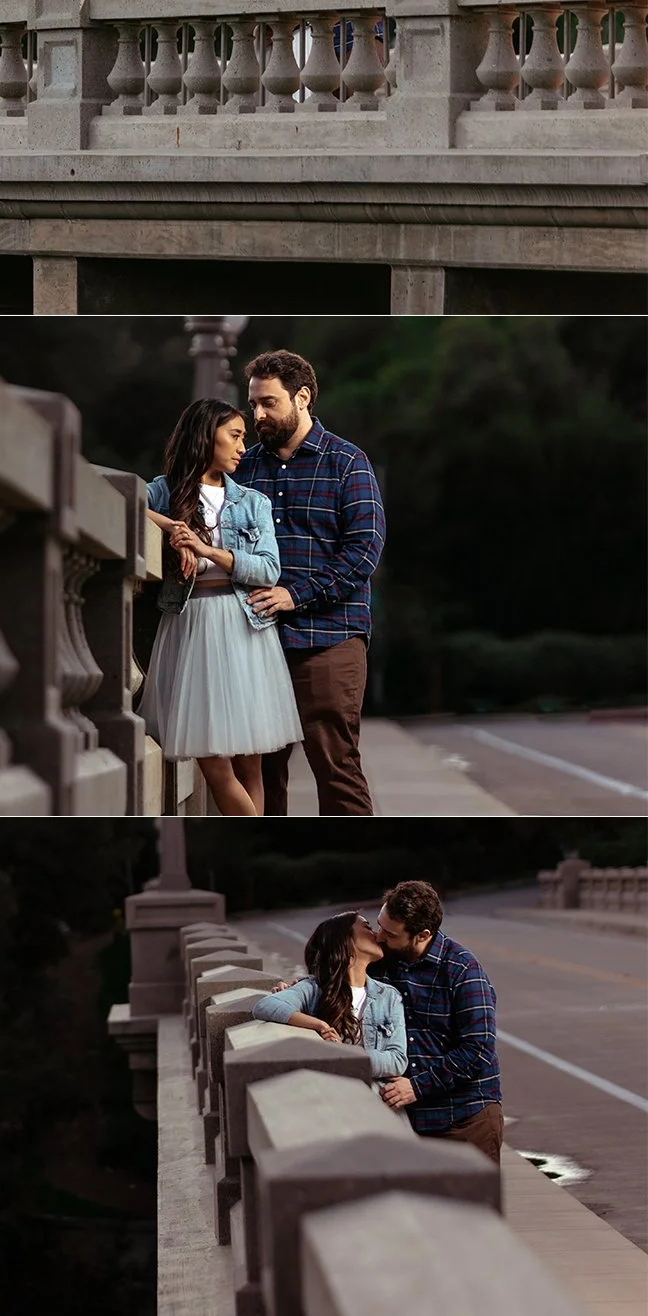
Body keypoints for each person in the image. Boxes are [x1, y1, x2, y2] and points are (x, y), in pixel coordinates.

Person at [234, 349, 385, 815]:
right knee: (258, 777)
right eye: (253, 403)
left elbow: (364, 550)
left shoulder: (347, 462)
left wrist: (293, 594)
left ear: (302, 398)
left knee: (336, 768)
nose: (257, 414)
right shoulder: (244, 467)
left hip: (329, 640)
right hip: (255, 641)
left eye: (269, 403)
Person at [139, 398, 302, 815]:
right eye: (234, 436)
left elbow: (268, 569)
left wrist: (206, 548)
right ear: (204, 435)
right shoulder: (164, 490)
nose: (242, 447)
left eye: (243, 438)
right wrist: (172, 526)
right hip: (192, 625)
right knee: (214, 761)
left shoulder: (252, 501)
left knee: (251, 764)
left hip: (244, 626)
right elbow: (122, 501)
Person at [371, 880, 503, 1164]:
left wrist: (417, 1087)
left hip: (464, 1121)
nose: (379, 936)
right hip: (406, 1123)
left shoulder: (463, 969)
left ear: (422, 935)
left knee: (470, 1211)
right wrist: (296, 992)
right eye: (379, 925)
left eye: (390, 933)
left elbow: (477, 1049)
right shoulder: (381, 962)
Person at [252, 910, 406, 1080]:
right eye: (367, 927)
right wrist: (320, 1026)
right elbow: (265, 1006)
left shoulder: (389, 996)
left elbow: (398, 1060)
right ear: (345, 940)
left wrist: (346, 1054)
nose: (376, 934)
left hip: (373, 1096)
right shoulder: (313, 988)